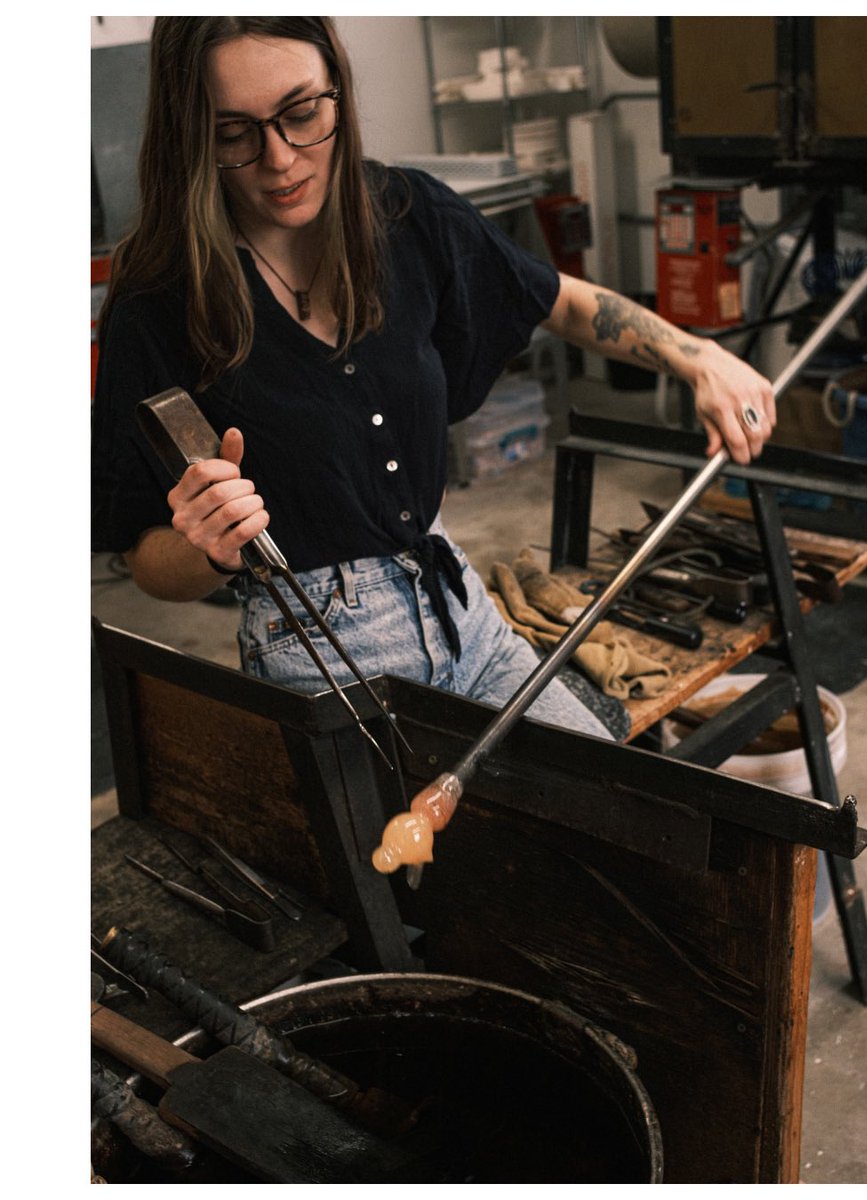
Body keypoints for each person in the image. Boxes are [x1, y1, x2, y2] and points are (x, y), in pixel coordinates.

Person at [92, 16, 775, 742]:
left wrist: (696, 357)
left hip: (464, 617)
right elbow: (143, 558)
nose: (281, 159)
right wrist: (207, 547)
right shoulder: (161, 293)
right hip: (325, 666)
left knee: (619, 813)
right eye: (233, 134)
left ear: (338, 91)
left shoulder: (404, 213)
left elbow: (560, 300)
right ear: (190, 132)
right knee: (442, 858)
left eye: (302, 114)